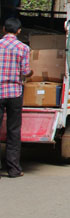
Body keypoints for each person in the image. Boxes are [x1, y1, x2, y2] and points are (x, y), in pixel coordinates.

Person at [0, 16, 31, 178]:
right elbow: (25, 72)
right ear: (19, 31)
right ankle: (13, 169)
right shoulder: (23, 48)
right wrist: (30, 73)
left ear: (4, 29)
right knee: (13, 130)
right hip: (14, 93)